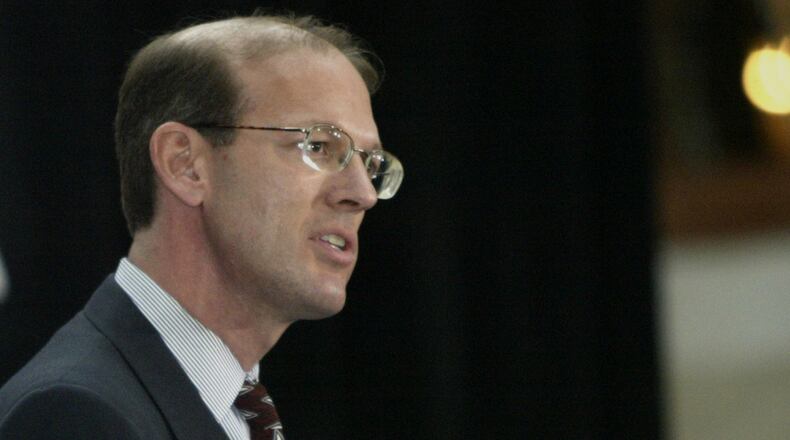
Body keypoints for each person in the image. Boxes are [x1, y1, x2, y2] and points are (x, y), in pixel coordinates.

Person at [0, 12, 403, 440]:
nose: (363, 193)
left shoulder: (236, 408)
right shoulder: (76, 416)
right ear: (185, 165)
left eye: (370, 163)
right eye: (319, 146)